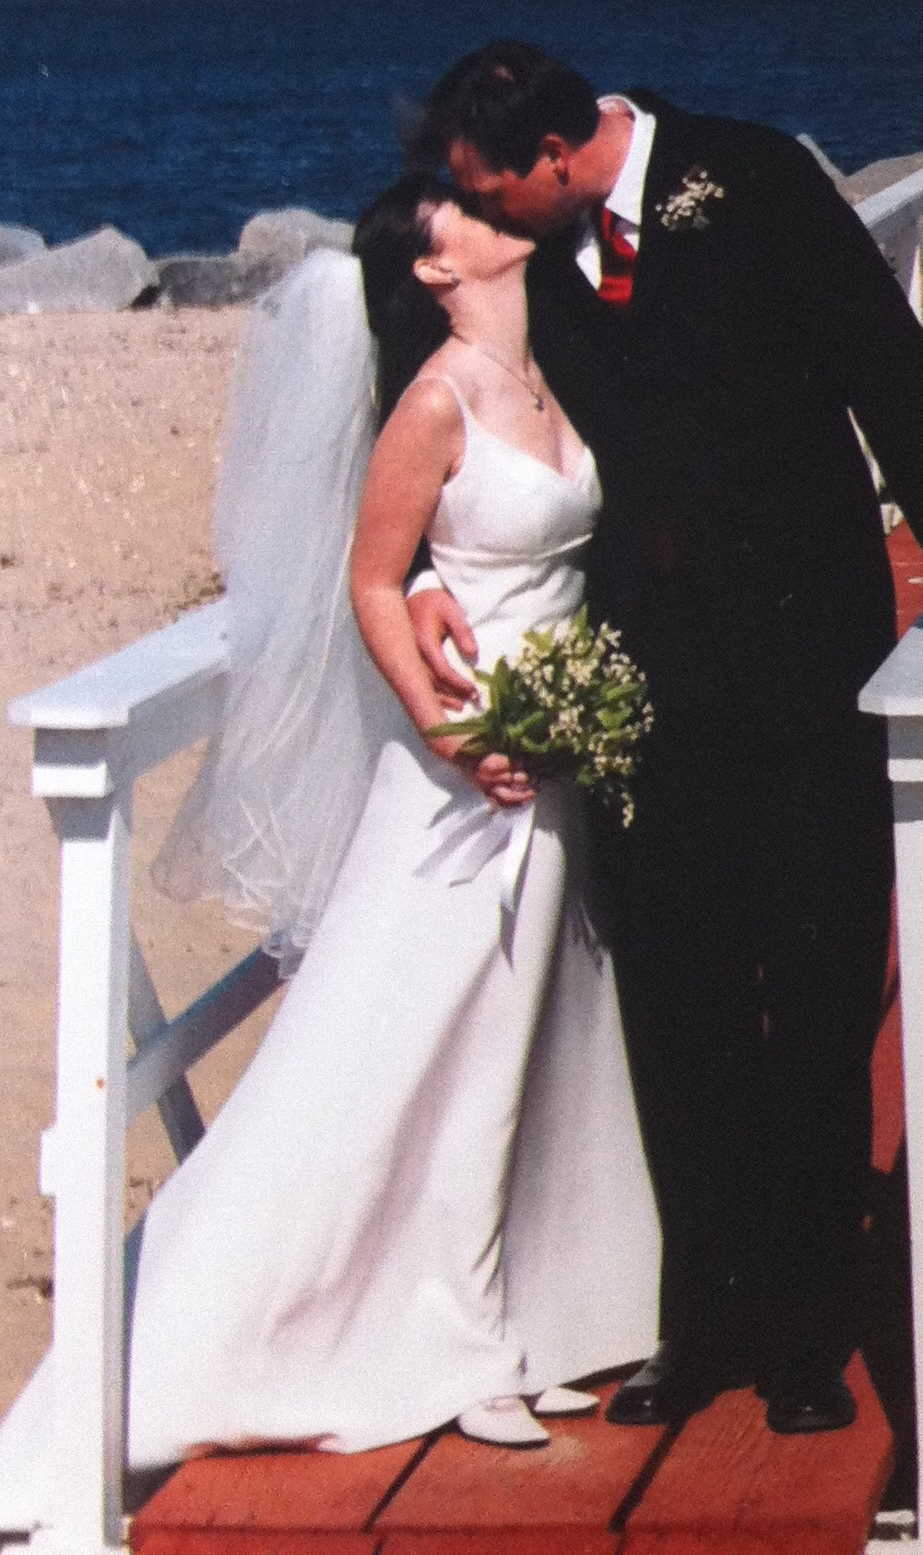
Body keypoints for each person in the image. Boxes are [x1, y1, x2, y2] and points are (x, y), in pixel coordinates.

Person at [408, 44, 923, 1437]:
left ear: (557, 155)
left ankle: (805, 1334)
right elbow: (412, 338)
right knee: (676, 1002)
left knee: (814, 990)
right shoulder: (527, 245)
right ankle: (700, 1322)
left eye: (493, 190)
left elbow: (884, 366)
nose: (480, 217)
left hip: (807, 660)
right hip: (640, 679)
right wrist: (419, 565)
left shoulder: (751, 177)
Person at [125, 173, 659, 1461]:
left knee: (535, 1031)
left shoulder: (544, 371)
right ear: (433, 267)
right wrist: (447, 731)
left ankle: (528, 1311)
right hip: (468, 768)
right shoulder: (432, 402)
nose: (493, 207)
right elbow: (372, 578)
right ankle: (446, 1340)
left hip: (556, 748)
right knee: (427, 1040)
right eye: (463, 208)